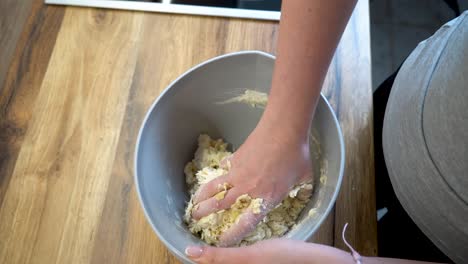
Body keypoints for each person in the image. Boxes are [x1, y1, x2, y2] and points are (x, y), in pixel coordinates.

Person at [184, 1, 457, 263]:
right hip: (415, 102)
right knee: (364, 183)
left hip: (444, 245)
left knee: (373, 231)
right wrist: (284, 132)